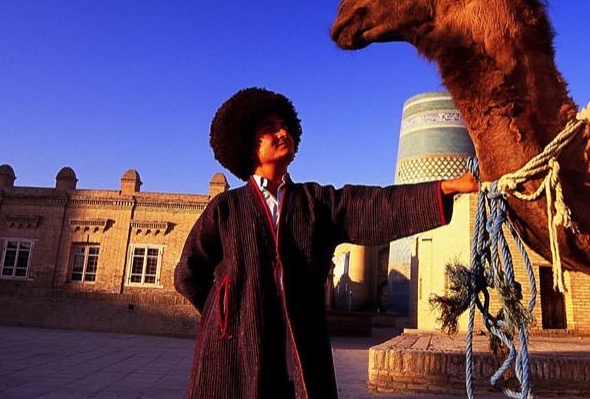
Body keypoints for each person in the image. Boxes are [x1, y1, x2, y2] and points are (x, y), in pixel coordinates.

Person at [174, 87, 477, 399]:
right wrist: (226, 316)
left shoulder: (316, 203)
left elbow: (375, 205)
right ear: (248, 144)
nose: (282, 133)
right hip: (234, 360)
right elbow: (187, 274)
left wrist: (446, 188)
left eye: (285, 126)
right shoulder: (225, 209)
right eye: (269, 129)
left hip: (301, 359)